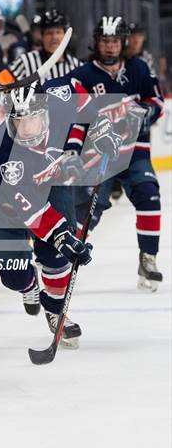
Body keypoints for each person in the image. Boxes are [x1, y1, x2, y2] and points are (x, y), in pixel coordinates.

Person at [0, 79, 121, 347]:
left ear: (45, 113)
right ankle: (29, 286)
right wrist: (60, 234)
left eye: (32, 119)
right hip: (5, 203)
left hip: (49, 185)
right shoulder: (2, 152)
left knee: (58, 257)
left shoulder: (56, 105)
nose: (25, 128)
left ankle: (56, 313)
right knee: (14, 275)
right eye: (19, 121)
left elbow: (78, 89)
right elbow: (30, 210)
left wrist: (101, 126)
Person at [68, 16, 164, 292]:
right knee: (87, 212)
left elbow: (155, 100)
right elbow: (78, 118)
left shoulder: (139, 69)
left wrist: (145, 112)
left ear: (122, 43)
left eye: (114, 41)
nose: (110, 47)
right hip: (99, 156)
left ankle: (148, 258)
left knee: (149, 194)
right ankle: (63, 260)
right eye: (105, 41)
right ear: (96, 43)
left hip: (135, 152)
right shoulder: (83, 76)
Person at [8, 10, 81, 81]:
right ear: (42, 37)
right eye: (49, 33)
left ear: (65, 36)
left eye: (58, 32)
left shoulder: (77, 66)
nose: (54, 37)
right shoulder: (25, 61)